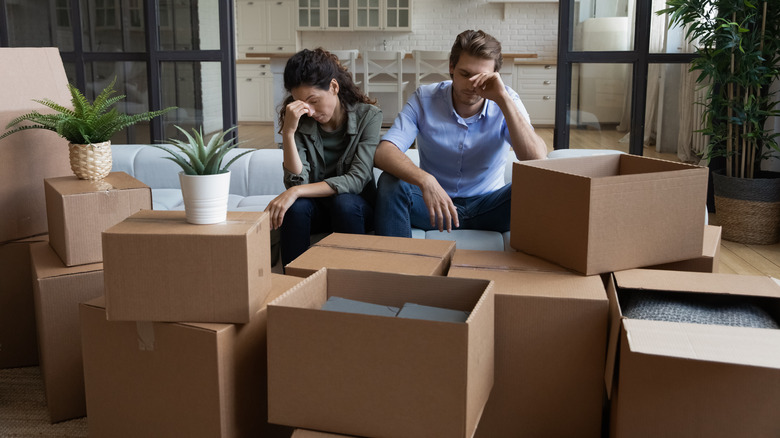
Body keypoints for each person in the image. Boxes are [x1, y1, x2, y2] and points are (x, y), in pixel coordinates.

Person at [374, 30, 548, 237]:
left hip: (490, 207)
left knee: (541, 184)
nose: (472, 85)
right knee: (389, 183)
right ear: (451, 68)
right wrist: (426, 180)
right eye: (465, 74)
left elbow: (537, 158)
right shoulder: (425, 98)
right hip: (433, 207)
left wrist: (502, 99)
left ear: (495, 75)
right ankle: (397, 267)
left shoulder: (507, 99)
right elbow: (384, 152)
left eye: (481, 77)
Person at [265, 48, 382, 266]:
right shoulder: (300, 120)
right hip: (317, 210)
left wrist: (296, 191)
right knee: (296, 207)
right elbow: (295, 180)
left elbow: (357, 178)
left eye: (314, 101)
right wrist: (288, 132)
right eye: (301, 103)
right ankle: (294, 285)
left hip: (354, 209)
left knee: (344, 203)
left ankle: (353, 282)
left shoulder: (369, 116)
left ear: (334, 87)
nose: (309, 111)